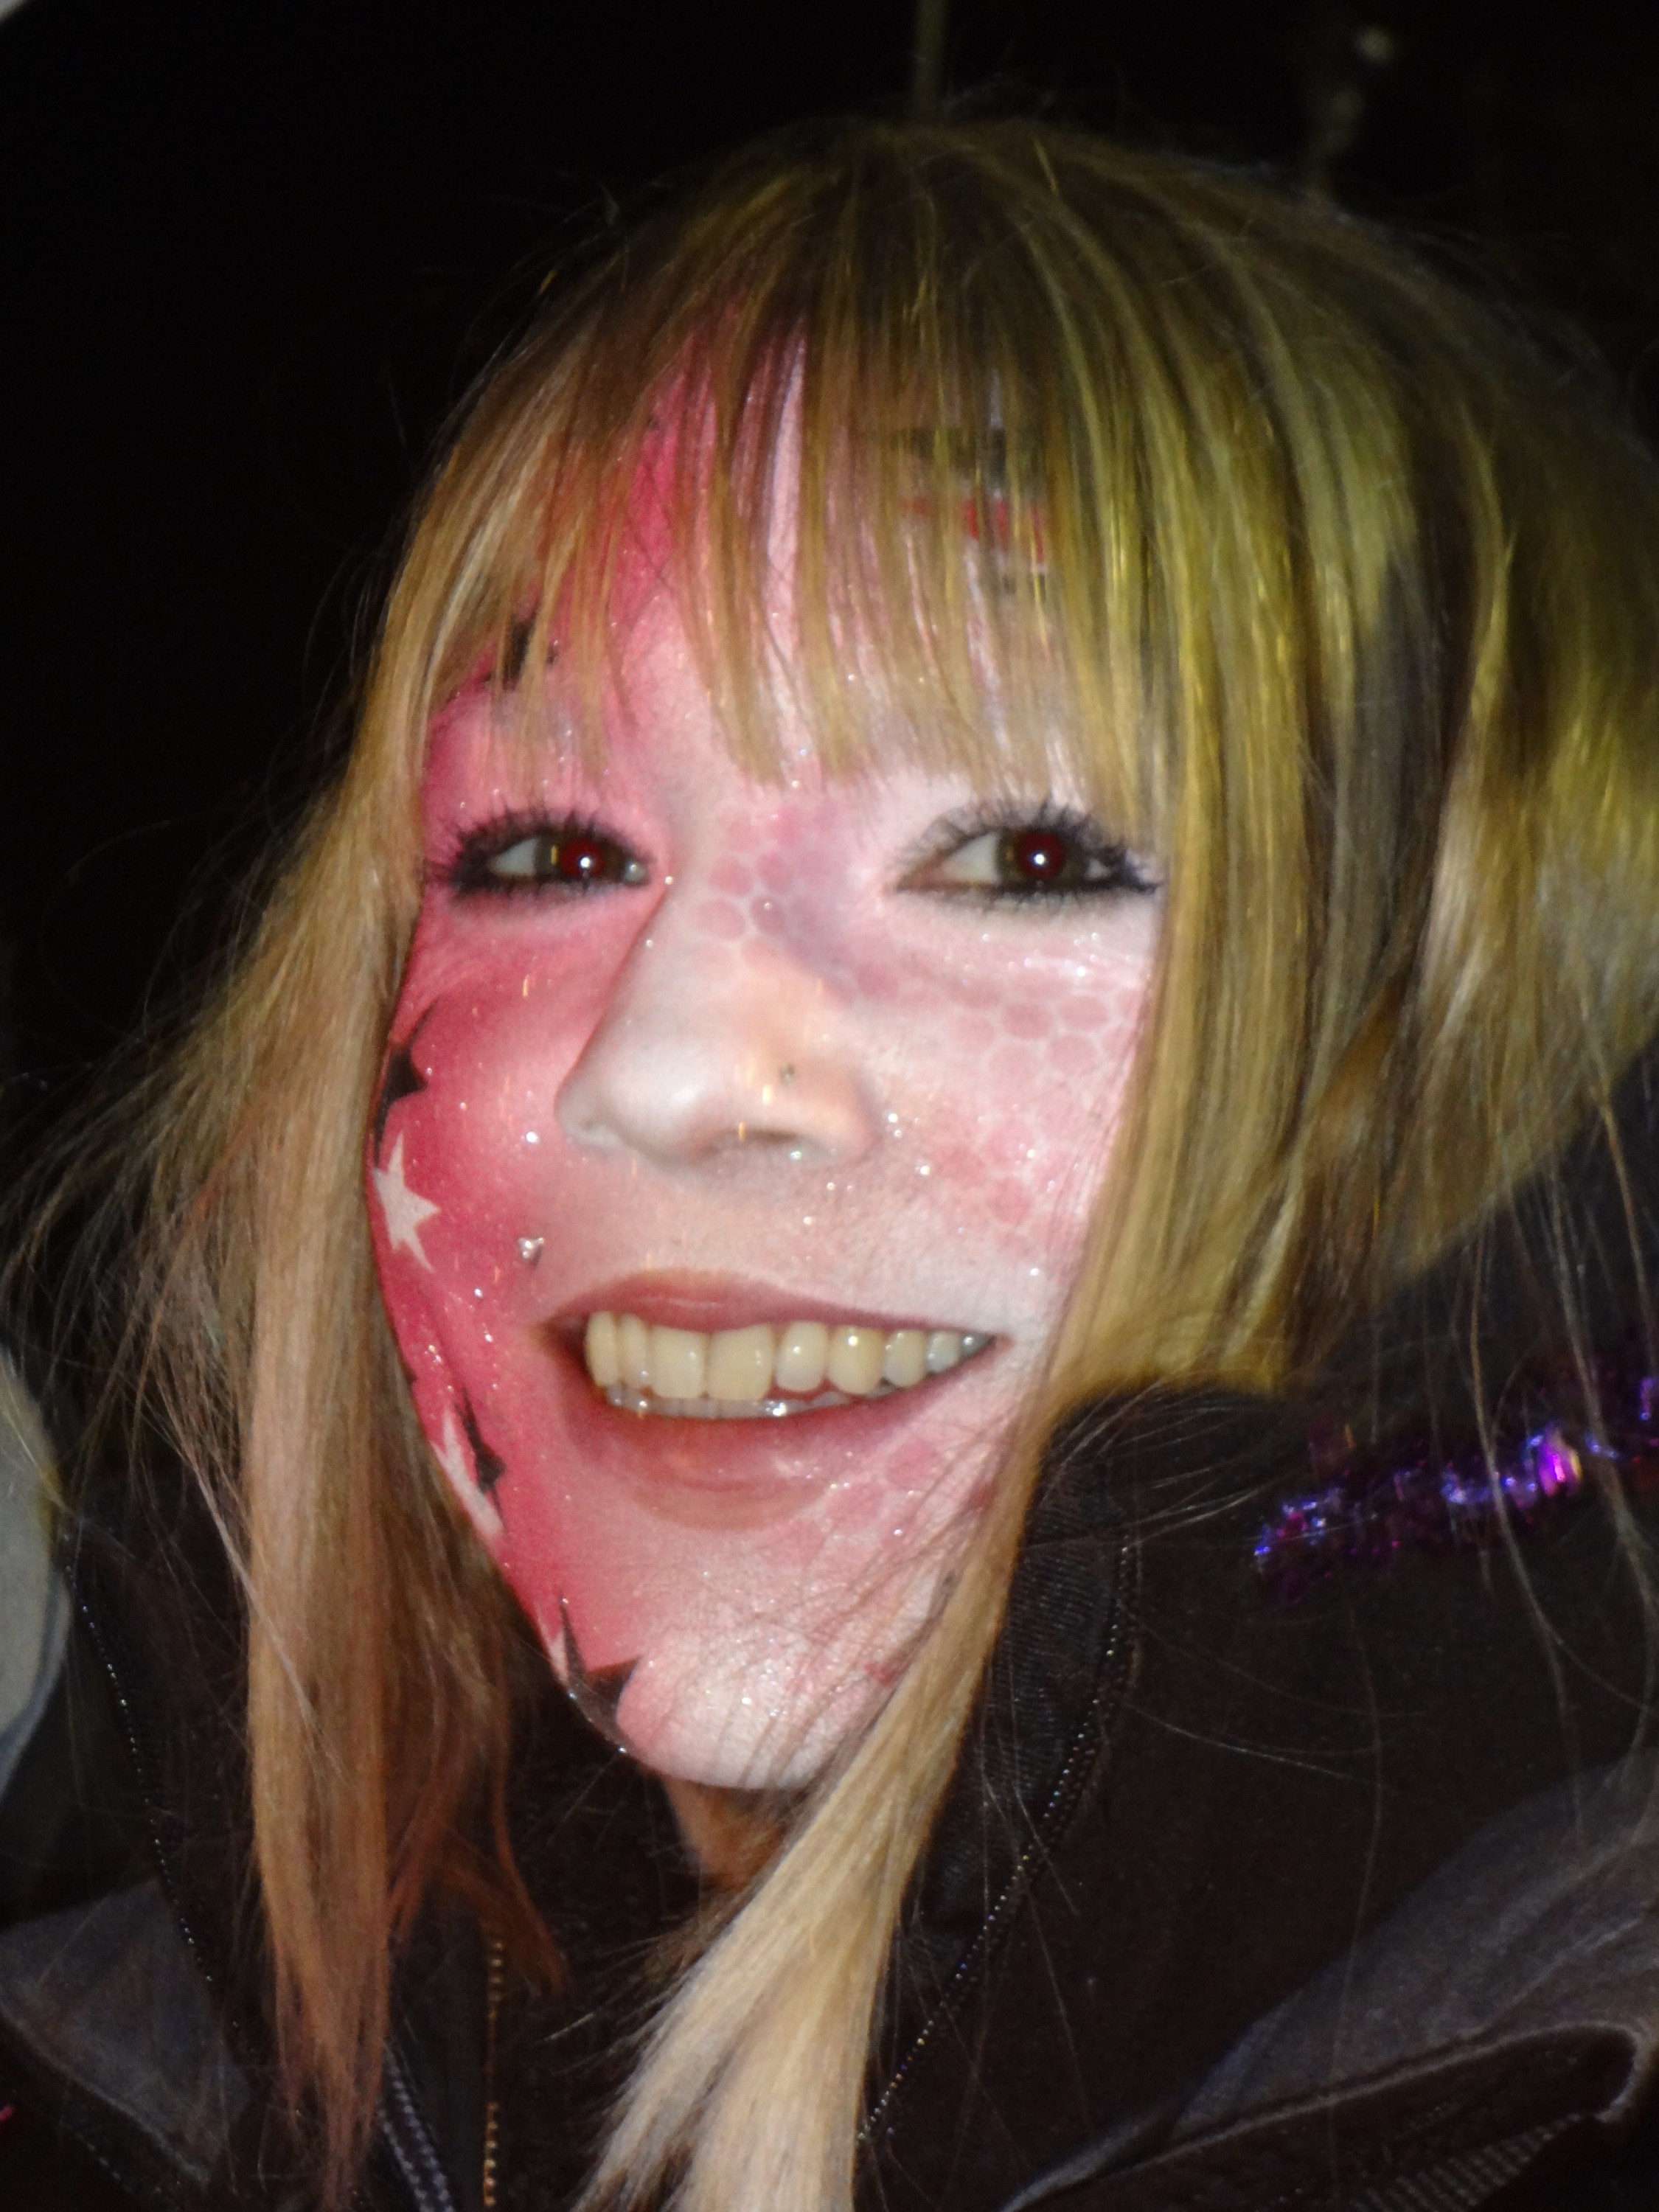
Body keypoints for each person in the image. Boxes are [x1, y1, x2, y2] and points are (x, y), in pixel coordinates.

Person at [4, 115, 1659, 2212]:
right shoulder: (112, 2083)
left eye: (1025, 853)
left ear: (1501, 1043)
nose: (668, 1070)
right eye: (548, 851)